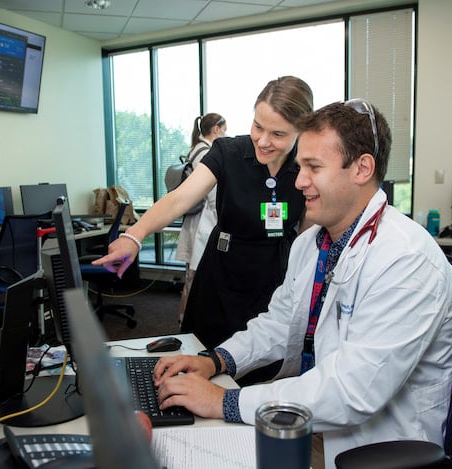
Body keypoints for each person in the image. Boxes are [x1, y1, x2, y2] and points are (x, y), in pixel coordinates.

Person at [152, 100, 452, 469]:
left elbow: (352, 391)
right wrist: (215, 361)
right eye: (300, 166)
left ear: (362, 168)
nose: (298, 182)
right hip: (310, 427)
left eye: (313, 167)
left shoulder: (407, 260)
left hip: (373, 448)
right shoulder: (311, 245)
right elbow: (279, 323)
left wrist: (222, 401)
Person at [94, 77, 313, 373]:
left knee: (262, 363)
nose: (263, 140)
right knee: (204, 359)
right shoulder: (228, 152)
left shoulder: (306, 165)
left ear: (300, 131)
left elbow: (310, 230)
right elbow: (179, 199)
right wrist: (134, 236)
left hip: (273, 276)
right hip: (223, 272)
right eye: (257, 126)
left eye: (277, 134)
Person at [175, 113, 227, 324]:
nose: (225, 133)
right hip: (204, 222)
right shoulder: (206, 153)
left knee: (192, 279)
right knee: (195, 281)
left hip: (197, 221)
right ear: (216, 129)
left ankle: (184, 321)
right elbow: (213, 197)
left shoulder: (195, 151)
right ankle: (186, 325)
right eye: (224, 129)